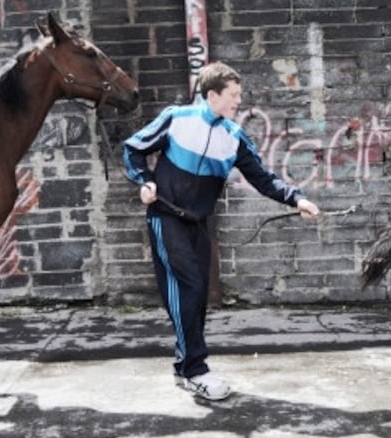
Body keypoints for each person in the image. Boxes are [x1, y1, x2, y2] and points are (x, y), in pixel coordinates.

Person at [123, 61, 320, 401]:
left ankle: (185, 366)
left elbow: (263, 178)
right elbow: (134, 148)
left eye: (239, 96)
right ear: (212, 95)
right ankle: (197, 370)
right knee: (189, 286)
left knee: (197, 296)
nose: (237, 102)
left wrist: (297, 199)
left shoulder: (234, 137)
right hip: (165, 216)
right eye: (233, 95)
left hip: (198, 223)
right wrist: (145, 181)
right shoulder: (177, 118)